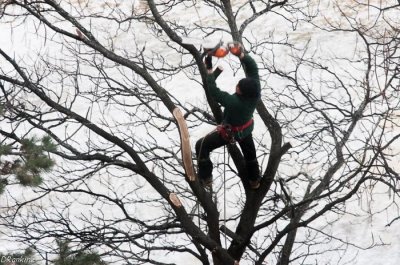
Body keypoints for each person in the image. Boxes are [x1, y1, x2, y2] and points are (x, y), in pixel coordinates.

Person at [195, 43, 262, 189]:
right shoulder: (255, 91)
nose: (236, 86)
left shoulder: (233, 102)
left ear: (241, 92)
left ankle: (206, 178)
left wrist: (209, 69)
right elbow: (253, 67)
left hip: (230, 132)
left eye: (238, 87)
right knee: (250, 157)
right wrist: (241, 55)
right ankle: (255, 180)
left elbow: (214, 91)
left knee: (201, 145)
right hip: (246, 130)